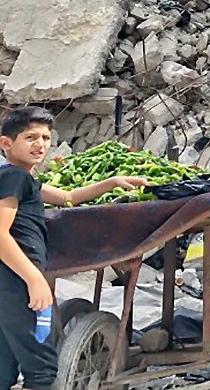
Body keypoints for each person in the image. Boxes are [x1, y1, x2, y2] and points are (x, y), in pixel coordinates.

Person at [0, 107, 147, 390]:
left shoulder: (20, 178)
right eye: (30, 137)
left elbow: (67, 197)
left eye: (45, 137)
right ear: (6, 143)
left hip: (11, 281)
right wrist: (34, 280)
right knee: (42, 367)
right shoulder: (13, 179)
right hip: (18, 280)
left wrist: (112, 182)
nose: (40, 144)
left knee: (4, 367)